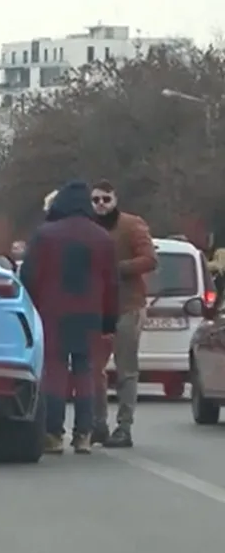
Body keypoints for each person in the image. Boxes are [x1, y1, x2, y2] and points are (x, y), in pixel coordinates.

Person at [20, 181, 119, 454]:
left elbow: (28, 276)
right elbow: (112, 283)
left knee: (55, 372)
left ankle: (53, 433)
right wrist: (109, 320)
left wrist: (30, 310)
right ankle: (83, 434)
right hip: (90, 313)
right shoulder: (103, 238)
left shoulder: (45, 235)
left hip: (53, 312)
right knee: (85, 371)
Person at [90, 179, 157, 448]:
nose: (101, 205)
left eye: (106, 199)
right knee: (94, 368)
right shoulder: (88, 227)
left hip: (128, 305)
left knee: (126, 368)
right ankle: (98, 424)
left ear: (115, 199)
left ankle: (124, 426)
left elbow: (150, 259)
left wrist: (117, 269)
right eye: (95, 200)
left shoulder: (131, 225)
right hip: (96, 305)